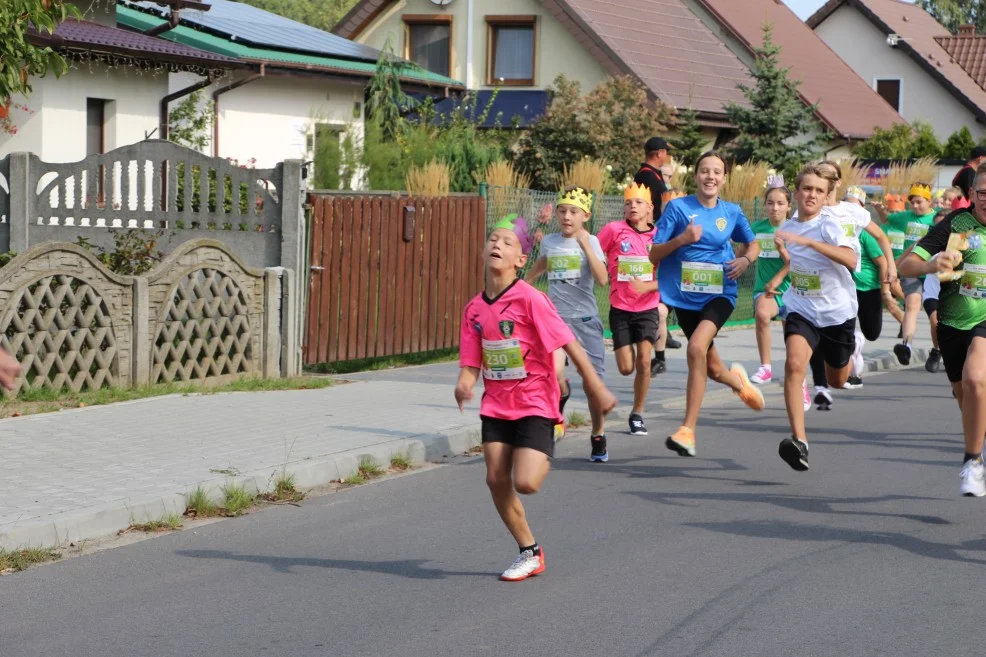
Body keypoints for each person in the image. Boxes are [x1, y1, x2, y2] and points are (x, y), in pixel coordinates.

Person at [456, 217, 617, 580]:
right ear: (484, 251)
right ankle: (529, 551)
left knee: (526, 483)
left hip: (534, 402)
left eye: (507, 242)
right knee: (496, 479)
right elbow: (471, 361)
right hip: (496, 404)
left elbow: (568, 342)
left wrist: (596, 386)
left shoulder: (531, 299)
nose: (497, 245)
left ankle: (554, 428)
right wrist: (464, 384)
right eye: (493, 239)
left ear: (521, 259)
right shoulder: (474, 309)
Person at [648, 150, 765, 457]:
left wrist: (744, 259)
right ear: (696, 175)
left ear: (723, 178)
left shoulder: (733, 211)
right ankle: (738, 383)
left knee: (696, 348)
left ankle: (687, 430)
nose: (710, 176)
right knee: (711, 368)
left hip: (720, 293)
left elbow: (753, 242)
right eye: (704, 171)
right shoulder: (677, 208)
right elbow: (653, 254)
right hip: (683, 297)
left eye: (717, 172)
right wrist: (681, 240)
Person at [899, 165, 986, 496]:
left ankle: (972, 462)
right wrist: (930, 265)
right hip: (953, 322)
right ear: (973, 195)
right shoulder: (957, 224)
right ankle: (977, 449)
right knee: (967, 398)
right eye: (982, 193)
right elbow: (906, 265)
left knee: (976, 377)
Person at [767, 163, 859, 472]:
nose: (812, 194)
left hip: (837, 314)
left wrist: (811, 242)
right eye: (807, 188)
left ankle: (852, 354)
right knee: (794, 365)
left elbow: (851, 259)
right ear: (796, 192)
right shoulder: (789, 225)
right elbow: (797, 262)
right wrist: (786, 255)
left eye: (819, 191)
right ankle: (799, 441)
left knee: (837, 379)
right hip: (801, 309)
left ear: (826, 196)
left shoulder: (830, 225)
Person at [526, 186, 611, 462]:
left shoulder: (592, 241)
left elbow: (602, 279)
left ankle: (598, 434)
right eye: (562, 211)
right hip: (555, 320)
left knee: (592, 383)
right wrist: (521, 286)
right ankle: (557, 416)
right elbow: (542, 264)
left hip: (585, 321)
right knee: (552, 375)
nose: (566, 216)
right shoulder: (550, 242)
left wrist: (586, 245)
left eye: (573, 212)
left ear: (585, 215)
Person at [597, 183, 661, 436]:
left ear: (649, 208)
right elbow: (595, 251)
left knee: (644, 361)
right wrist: (602, 266)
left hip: (647, 307)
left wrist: (648, 287)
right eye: (628, 203)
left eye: (638, 202)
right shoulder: (614, 230)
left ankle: (637, 414)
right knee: (626, 368)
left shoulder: (659, 237)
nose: (632, 206)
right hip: (620, 306)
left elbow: (670, 275)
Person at [633, 137, 683, 377]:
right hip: (653, 233)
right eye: (666, 153)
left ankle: (663, 331)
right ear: (660, 153)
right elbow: (658, 205)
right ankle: (655, 331)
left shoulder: (651, 175)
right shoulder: (648, 176)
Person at [874, 182, 937, 366]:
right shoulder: (906, 217)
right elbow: (886, 220)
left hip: (933, 271)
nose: (915, 206)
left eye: (919, 202)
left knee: (937, 318)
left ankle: (940, 349)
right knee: (912, 305)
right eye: (912, 203)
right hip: (912, 269)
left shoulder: (936, 219)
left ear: (929, 201)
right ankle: (907, 345)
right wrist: (879, 210)